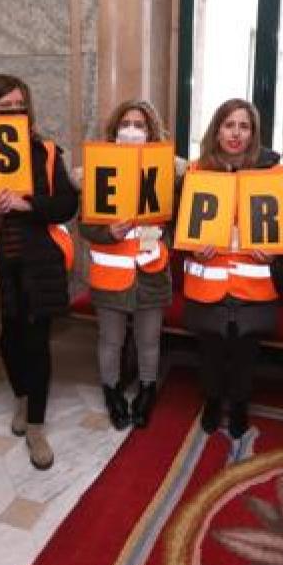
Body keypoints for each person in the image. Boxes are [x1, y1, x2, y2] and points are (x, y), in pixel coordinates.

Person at [0, 75, 77, 469]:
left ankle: (37, 427)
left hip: (39, 262)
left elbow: (66, 204)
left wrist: (30, 206)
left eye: (19, 107)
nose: (13, 114)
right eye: (3, 108)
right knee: (8, 339)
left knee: (38, 343)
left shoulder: (44, 151)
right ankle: (22, 398)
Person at [183, 98, 281, 439]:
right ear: (217, 129)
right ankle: (211, 402)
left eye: (244, 126)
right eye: (229, 124)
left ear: (253, 133)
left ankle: (240, 405)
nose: (236, 133)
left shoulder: (274, 175)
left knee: (244, 357)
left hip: (252, 287)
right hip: (208, 284)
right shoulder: (197, 172)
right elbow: (181, 229)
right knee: (209, 353)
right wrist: (194, 248)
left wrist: (275, 253)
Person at [78, 100, 173, 430]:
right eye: (126, 124)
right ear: (114, 131)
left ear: (151, 132)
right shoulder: (97, 169)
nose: (132, 130)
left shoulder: (167, 173)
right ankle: (112, 391)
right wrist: (108, 232)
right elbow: (85, 226)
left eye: (140, 125)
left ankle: (147, 390)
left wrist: (154, 236)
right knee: (111, 341)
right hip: (110, 277)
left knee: (149, 341)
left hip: (151, 275)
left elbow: (178, 225)